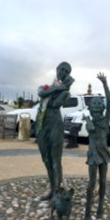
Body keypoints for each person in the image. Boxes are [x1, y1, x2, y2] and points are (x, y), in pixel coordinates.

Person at [36, 62, 74, 201]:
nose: (63, 72)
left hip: (55, 126)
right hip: (42, 126)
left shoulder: (65, 93)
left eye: (66, 71)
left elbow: (55, 104)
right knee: (46, 159)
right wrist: (57, 87)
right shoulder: (46, 86)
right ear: (57, 70)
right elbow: (41, 92)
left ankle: (57, 192)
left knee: (55, 160)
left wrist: (63, 89)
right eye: (61, 69)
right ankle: (52, 190)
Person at [85, 72, 110, 220]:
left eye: (98, 103)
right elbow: (90, 129)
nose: (96, 104)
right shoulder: (89, 121)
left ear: (101, 107)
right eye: (94, 103)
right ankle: (87, 211)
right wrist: (88, 122)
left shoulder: (106, 119)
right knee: (91, 183)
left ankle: (100, 207)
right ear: (90, 107)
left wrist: (105, 84)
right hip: (93, 154)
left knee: (103, 181)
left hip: (104, 153)